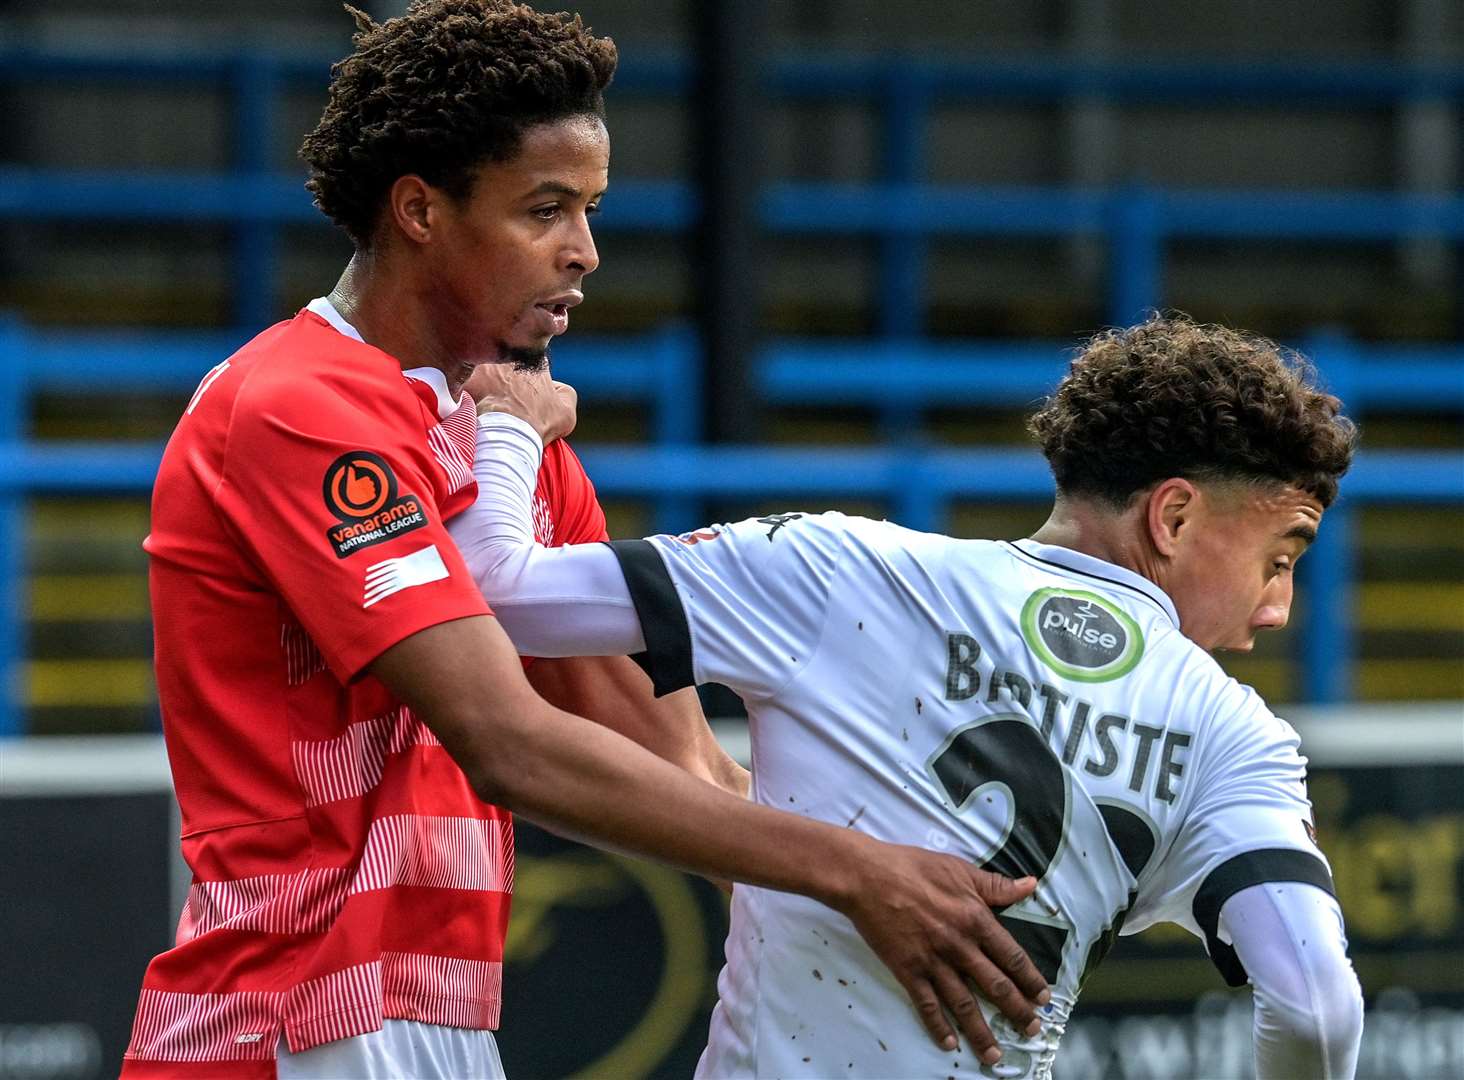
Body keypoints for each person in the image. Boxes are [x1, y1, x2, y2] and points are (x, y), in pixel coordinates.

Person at [120, 2, 1050, 1076]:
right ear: (419, 209)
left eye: (592, 210)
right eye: (545, 210)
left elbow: (680, 757)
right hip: (283, 1021)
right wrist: (854, 872)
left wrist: (931, 900)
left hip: (436, 1019)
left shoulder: (515, 443)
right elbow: (506, 742)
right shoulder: (295, 405)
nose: (586, 252)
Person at [452, 315, 1368, 1079]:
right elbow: (1317, 1008)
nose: (1277, 608)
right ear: (1171, 517)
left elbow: (499, 595)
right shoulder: (1235, 734)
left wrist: (508, 427)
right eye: (1278, 561)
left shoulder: (847, 568)